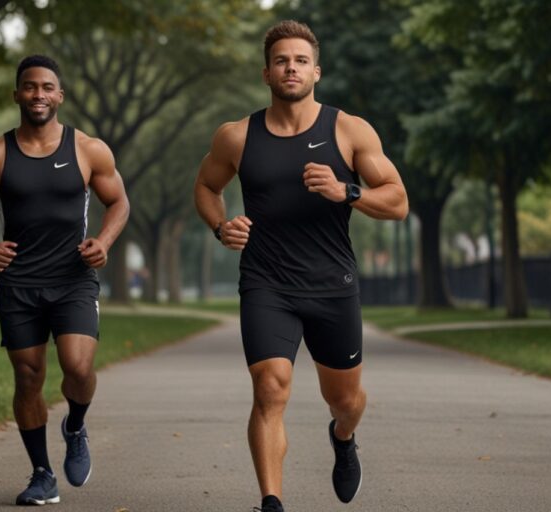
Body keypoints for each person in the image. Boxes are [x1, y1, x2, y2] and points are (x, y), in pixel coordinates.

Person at [193, 20, 408, 512]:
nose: (291, 68)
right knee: (270, 389)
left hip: (333, 284)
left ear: (317, 71)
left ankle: (344, 436)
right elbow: (206, 187)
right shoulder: (237, 136)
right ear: (266, 73)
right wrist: (220, 227)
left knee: (346, 400)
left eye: (301, 60)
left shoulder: (349, 130)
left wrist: (346, 191)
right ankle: (271, 502)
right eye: (282, 61)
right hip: (266, 282)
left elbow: (397, 201)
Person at [0, 55, 129, 506]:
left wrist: (104, 242)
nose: (38, 95)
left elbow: (119, 203)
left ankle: (75, 424)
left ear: (60, 96)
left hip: (74, 278)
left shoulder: (89, 150)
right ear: (17, 95)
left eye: (47, 87)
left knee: (78, 366)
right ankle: (41, 474)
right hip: (19, 284)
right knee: (28, 377)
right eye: (30, 87)